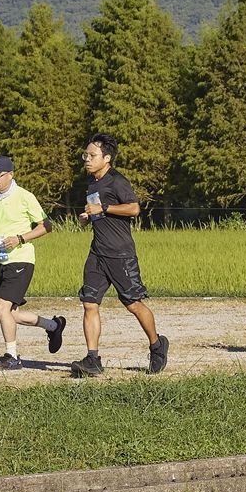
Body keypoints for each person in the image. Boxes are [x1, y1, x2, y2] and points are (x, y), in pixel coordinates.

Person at [70, 134, 169, 377]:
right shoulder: (92, 183)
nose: (87, 159)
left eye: (92, 156)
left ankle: (157, 345)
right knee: (89, 303)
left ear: (107, 158)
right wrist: (89, 217)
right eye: (86, 155)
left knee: (133, 304)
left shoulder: (117, 182)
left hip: (121, 255)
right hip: (97, 254)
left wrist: (103, 208)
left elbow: (134, 209)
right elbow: (99, 212)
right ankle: (93, 359)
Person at [0, 155, 65, 371]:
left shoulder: (25, 196)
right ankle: (54, 326)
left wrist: (20, 238)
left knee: (1, 306)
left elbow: (46, 226)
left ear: (10, 175)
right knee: (11, 313)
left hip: (21, 259)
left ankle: (12, 357)